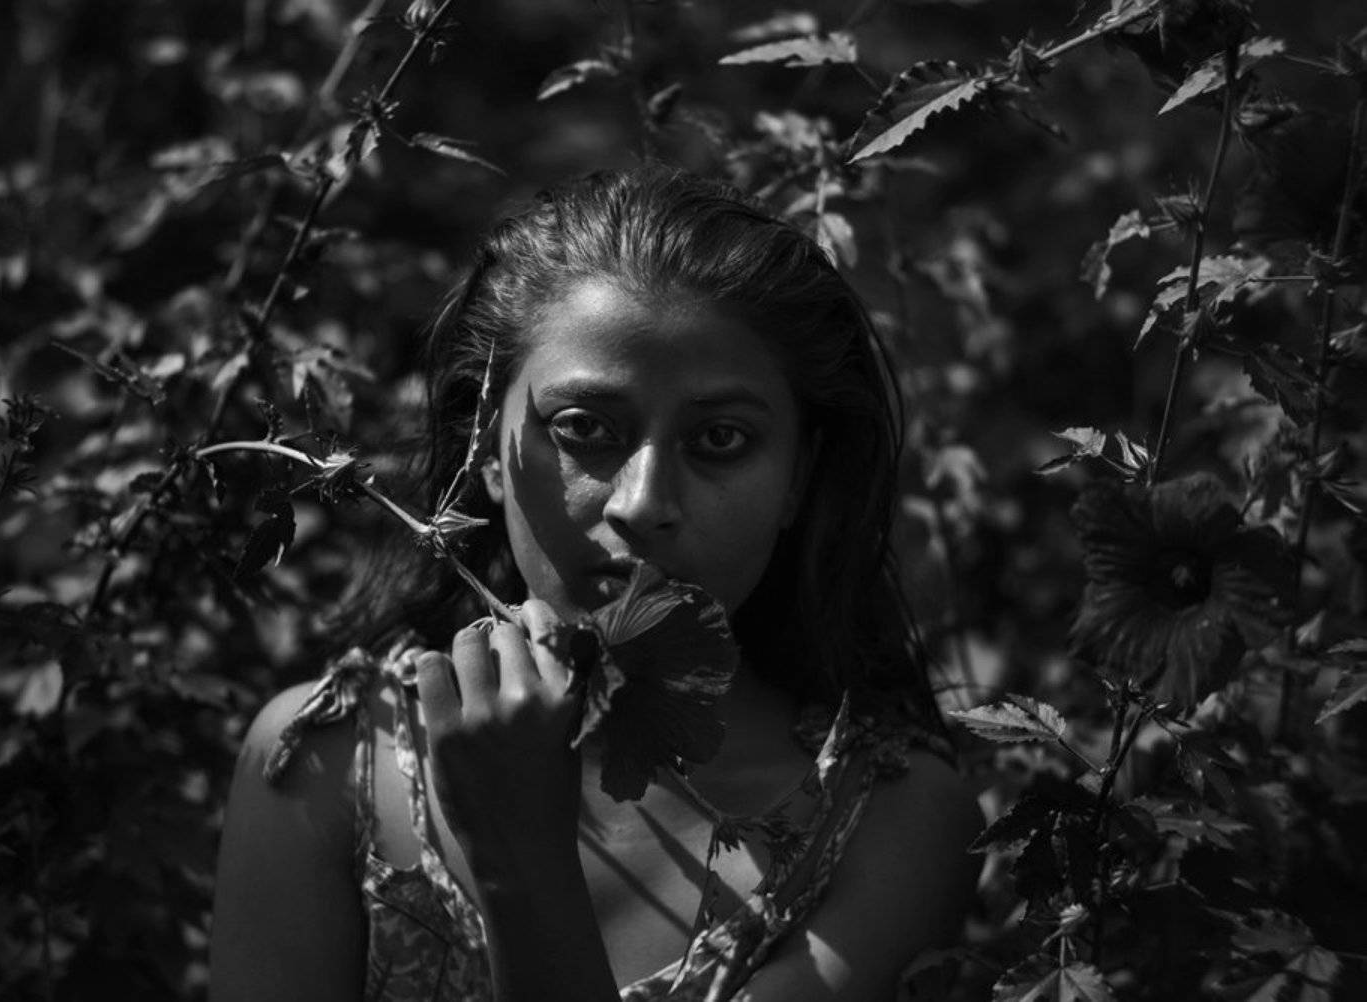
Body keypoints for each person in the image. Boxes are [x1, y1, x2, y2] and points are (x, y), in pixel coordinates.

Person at [208, 165, 983, 1002]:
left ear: (799, 475)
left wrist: (518, 856)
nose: (643, 504)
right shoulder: (324, 765)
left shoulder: (889, 823)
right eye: (584, 429)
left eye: (721, 439)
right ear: (486, 448)